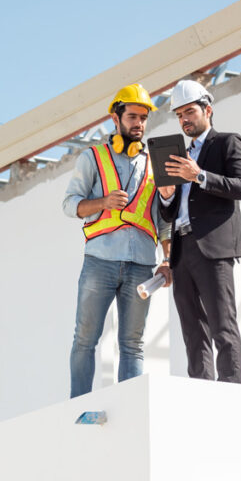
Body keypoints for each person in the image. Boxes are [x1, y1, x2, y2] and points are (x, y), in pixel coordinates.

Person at [63, 83, 171, 398]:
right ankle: (78, 405)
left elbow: (165, 219)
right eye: (133, 117)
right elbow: (70, 204)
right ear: (116, 117)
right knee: (85, 338)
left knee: (133, 344)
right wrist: (103, 203)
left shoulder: (156, 163)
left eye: (143, 118)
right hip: (100, 261)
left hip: (141, 265)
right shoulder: (92, 157)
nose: (139, 124)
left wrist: (167, 259)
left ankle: (130, 405)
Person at [159, 79, 241, 383]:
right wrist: (167, 194)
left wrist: (199, 176)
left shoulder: (228, 142)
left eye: (190, 112)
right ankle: (199, 397)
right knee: (192, 333)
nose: (185, 119)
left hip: (214, 248)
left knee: (223, 328)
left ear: (207, 110)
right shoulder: (178, 157)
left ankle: (232, 396)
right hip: (182, 250)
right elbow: (169, 212)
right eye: (179, 115)